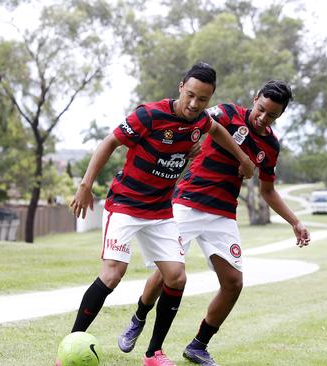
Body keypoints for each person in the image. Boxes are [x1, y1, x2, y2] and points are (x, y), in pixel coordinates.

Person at [66, 62, 256, 366]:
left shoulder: (202, 121)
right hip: (126, 204)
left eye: (203, 99)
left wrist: (244, 159)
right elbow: (110, 142)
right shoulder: (149, 115)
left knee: (176, 277)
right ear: (181, 86)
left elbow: (217, 130)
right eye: (190, 95)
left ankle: (154, 353)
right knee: (113, 273)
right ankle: (71, 343)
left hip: (160, 210)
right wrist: (86, 184)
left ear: (210, 98)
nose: (194, 104)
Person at [116, 80, 311, 366]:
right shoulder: (227, 113)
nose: (263, 118)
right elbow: (199, 123)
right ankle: (139, 317)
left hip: (223, 214)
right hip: (188, 203)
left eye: (272, 115)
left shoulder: (270, 145)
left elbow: (267, 191)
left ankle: (198, 345)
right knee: (167, 271)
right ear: (254, 98)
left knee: (233, 283)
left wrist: (295, 222)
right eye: (261, 109)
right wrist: (236, 156)